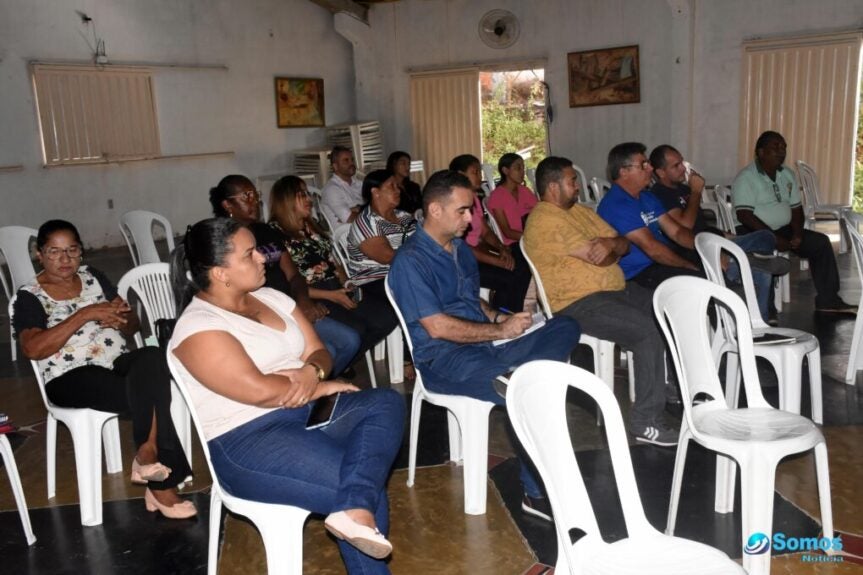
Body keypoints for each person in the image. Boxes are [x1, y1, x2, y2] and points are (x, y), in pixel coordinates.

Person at [169, 218, 404, 572]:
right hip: (248, 439)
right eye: (250, 254)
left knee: (385, 402)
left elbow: (319, 351)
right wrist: (321, 385)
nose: (264, 258)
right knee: (360, 490)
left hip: (307, 413)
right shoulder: (197, 328)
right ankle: (357, 509)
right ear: (220, 273)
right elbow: (261, 393)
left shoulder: (271, 298)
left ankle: (354, 510)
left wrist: (312, 371)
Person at [389, 169, 582, 521]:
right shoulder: (410, 262)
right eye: (463, 211)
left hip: (486, 345)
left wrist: (498, 319)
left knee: (565, 325)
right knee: (526, 391)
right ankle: (536, 492)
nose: (471, 219)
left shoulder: (461, 251)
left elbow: (470, 302)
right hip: (444, 360)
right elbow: (437, 327)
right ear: (435, 210)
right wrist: (500, 332)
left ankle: (522, 373)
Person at [12, 220, 195, 518]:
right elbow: (33, 348)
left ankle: (148, 453)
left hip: (117, 364)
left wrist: (123, 321)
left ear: (81, 252)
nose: (65, 259)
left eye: (72, 250)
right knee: (150, 392)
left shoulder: (94, 277)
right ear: (40, 254)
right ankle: (162, 484)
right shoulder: (29, 295)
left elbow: (133, 324)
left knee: (151, 356)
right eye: (55, 252)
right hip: (69, 376)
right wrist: (84, 315)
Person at [523, 157, 677, 446]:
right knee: (645, 330)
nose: (578, 187)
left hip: (613, 292)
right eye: (572, 181)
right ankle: (645, 421)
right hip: (576, 303)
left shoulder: (578, 212)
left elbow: (621, 243)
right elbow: (604, 252)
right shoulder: (545, 219)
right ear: (554, 187)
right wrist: (610, 248)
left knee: (668, 307)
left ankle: (665, 386)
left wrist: (610, 246)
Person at [210, 175, 360, 377]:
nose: (254, 201)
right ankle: (311, 393)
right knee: (327, 352)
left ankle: (317, 388)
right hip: (261, 313)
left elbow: (293, 275)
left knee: (350, 340)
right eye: (247, 196)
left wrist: (303, 303)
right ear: (227, 204)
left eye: (256, 195)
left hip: (289, 305)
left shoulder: (265, 231)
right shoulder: (222, 240)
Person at [649, 144, 788, 322]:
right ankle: (759, 322)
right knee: (763, 272)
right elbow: (686, 227)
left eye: (682, 162)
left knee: (766, 236)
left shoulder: (683, 190)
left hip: (714, 239)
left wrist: (729, 236)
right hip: (699, 250)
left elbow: (702, 225)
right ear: (661, 172)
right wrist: (696, 192)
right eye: (676, 166)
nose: (683, 168)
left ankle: (750, 257)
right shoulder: (659, 195)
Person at [268, 175, 398, 363]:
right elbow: (288, 283)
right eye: (302, 195)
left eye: (307, 194)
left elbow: (334, 262)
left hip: (336, 287)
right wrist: (331, 295)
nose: (309, 199)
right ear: (286, 200)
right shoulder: (275, 234)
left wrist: (346, 282)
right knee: (356, 329)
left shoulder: (310, 226)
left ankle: (343, 363)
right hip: (312, 295)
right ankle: (331, 368)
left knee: (386, 318)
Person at [732, 130, 855, 315]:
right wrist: (772, 237)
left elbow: (796, 209)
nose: (781, 151)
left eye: (784, 147)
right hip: (752, 231)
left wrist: (797, 233)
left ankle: (828, 300)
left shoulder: (787, 174)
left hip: (783, 230)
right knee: (764, 250)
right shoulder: (746, 178)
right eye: (776, 147)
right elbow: (744, 215)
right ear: (761, 152)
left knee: (820, 243)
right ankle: (767, 310)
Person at [597, 142, 702, 289]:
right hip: (639, 272)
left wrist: (705, 250)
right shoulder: (616, 204)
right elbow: (652, 249)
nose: (651, 168)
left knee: (713, 261)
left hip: (660, 259)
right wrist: (688, 266)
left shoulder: (646, 197)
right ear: (624, 172)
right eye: (643, 165)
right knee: (701, 281)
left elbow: (677, 232)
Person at [450, 154, 533, 312]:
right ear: (461, 175)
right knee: (510, 275)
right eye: (475, 172)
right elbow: (463, 248)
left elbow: (486, 231)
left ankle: (511, 313)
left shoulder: (473, 198)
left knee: (521, 265)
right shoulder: (453, 202)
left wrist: (502, 248)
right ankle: (503, 316)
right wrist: (497, 261)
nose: (480, 177)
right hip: (462, 262)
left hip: (478, 253)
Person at [487, 153, 538, 247]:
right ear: (505, 170)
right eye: (518, 168)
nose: (522, 172)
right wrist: (533, 239)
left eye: (523, 168)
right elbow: (507, 232)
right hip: (515, 243)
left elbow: (540, 212)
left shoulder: (524, 191)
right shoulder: (497, 196)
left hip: (533, 238)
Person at [322, 146, 365, 227]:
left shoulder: (359, 183)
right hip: (346, 233)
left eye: (352, 160)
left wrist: (357, 209)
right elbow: (349, 218)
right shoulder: (331, 189)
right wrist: (366, 210)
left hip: (365, 226)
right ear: (335, 166)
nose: (351, 163)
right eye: (346, 161)